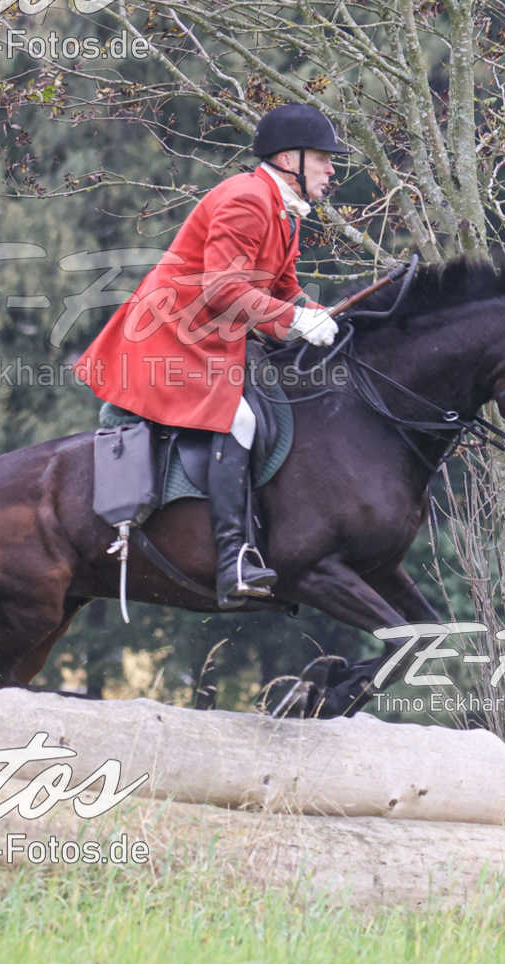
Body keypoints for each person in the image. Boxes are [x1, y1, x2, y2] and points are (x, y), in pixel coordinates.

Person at [74, 103, 348, 606]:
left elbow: (283, 289)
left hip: (212, 336)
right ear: (289, 159)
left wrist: (326, 315)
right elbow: (223, 289)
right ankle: (233, 560)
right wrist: (295, 321)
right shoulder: (247, 199)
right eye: (323, 159)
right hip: (172, 337)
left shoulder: (283, 209)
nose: (332, 170)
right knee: (239, 418)